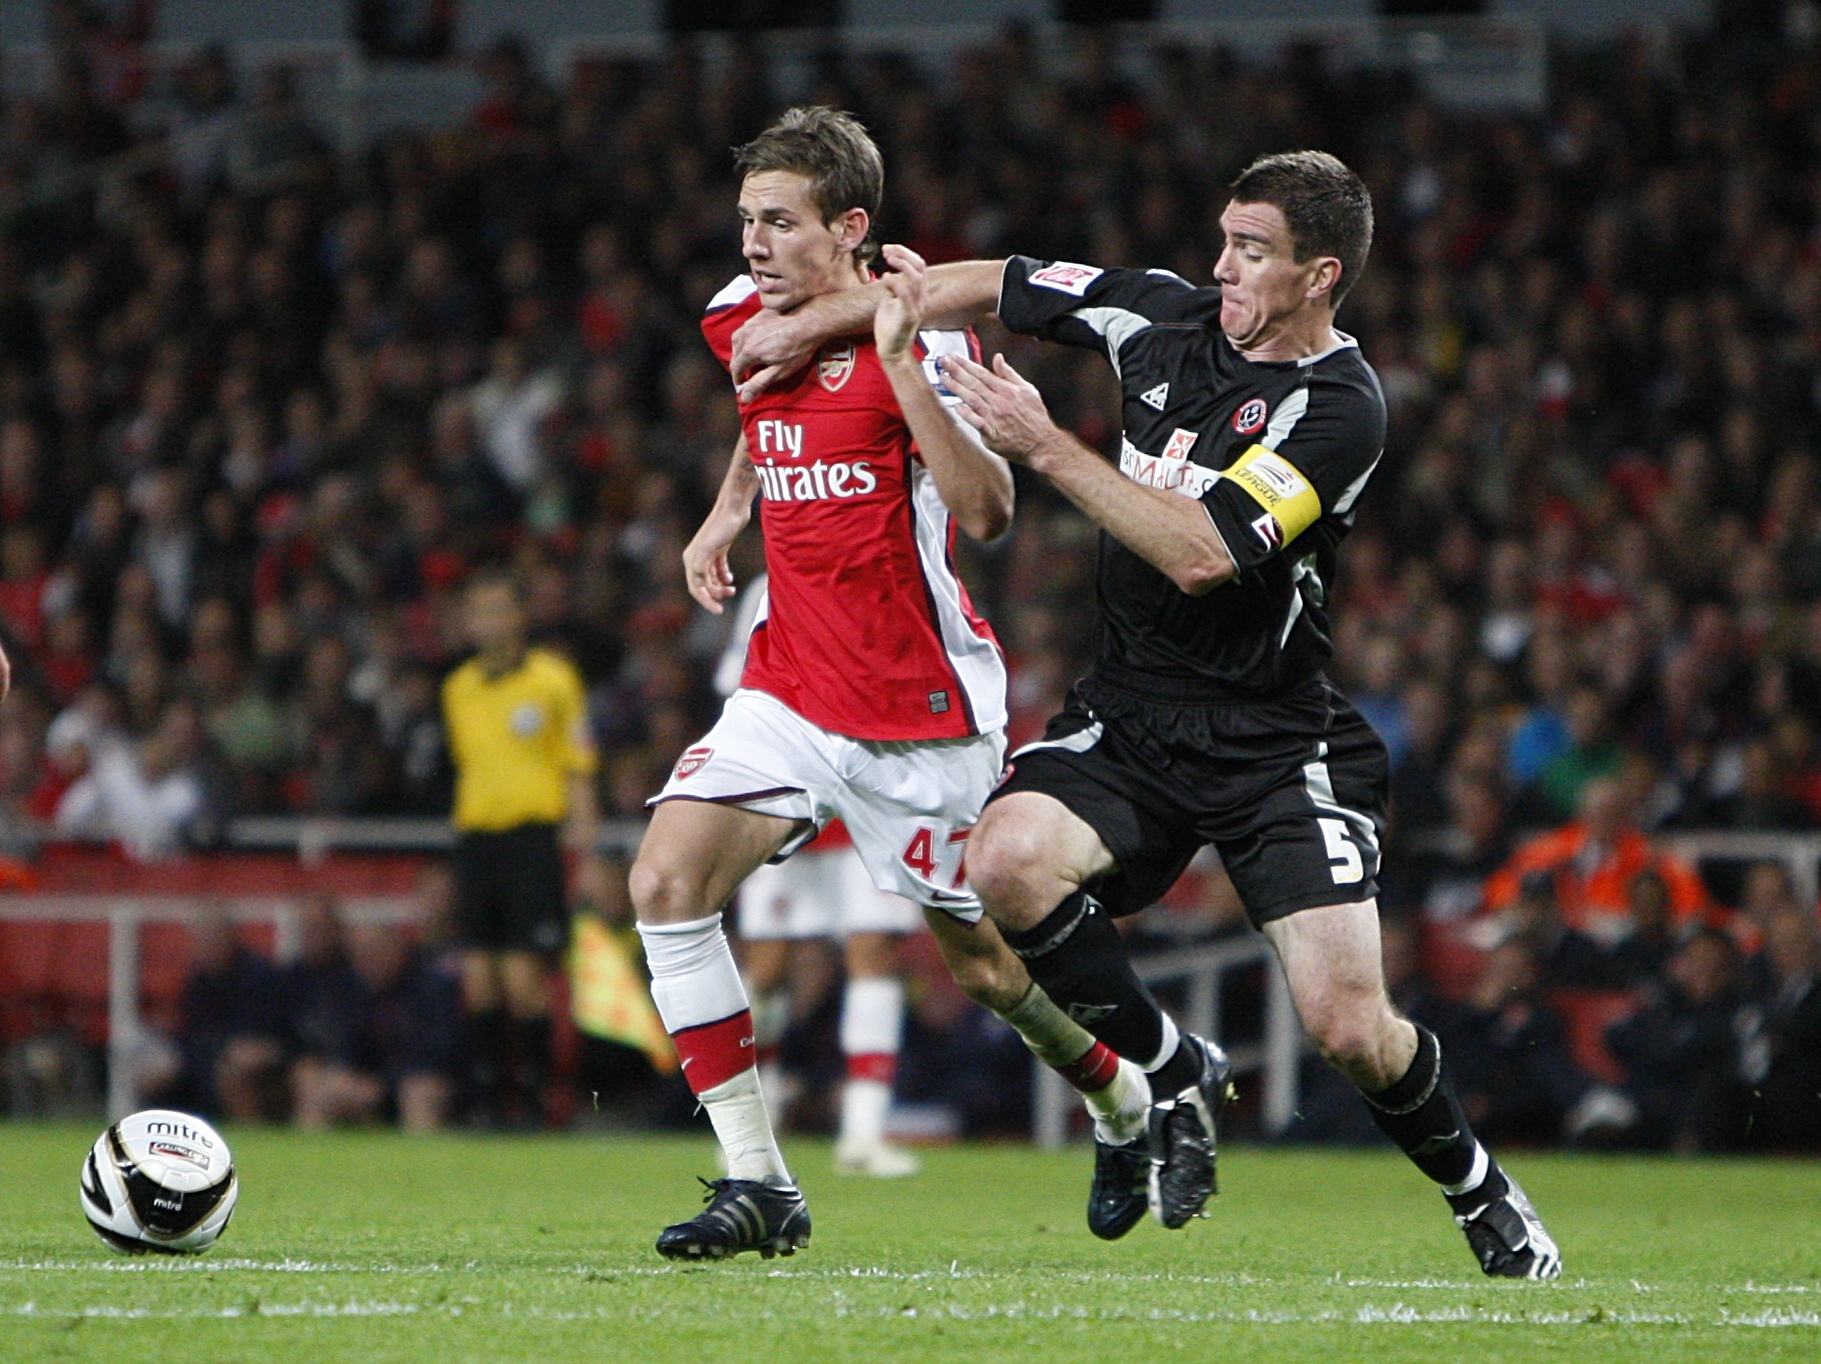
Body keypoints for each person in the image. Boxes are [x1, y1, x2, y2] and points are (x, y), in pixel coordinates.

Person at [736, 150, 1561, 1277]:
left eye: (1253, 252)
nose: (1222, 267)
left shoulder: (1340, 408)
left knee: (1349, 1027)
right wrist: (815, 321)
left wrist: (1039, 443)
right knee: (1008, 861)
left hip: (1277, 741)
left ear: (1322, 275)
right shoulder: (1157, 315)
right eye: (1224, 239)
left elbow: (1202, 554)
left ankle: (1480, 1190)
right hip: (1130, 715)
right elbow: (998, 280)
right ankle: (1175, 1068)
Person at [630, 107, 1149, 1262]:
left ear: (853, 227)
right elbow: (757, 410)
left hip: (919, 712)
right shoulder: (737, 314)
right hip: (790, 686)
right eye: (746, 219)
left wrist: (907, 362)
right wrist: (725, 511)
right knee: (666, 878)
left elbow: (988, 512)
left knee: (983, 963)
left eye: (780, 221)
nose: (754, 242)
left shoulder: (932, 342)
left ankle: (1123, 1095)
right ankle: (758, 1177)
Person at [722, 575, 925, 1177]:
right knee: (767, 967)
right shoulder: (773, 582)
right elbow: (740, 684)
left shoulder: (897, 572)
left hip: (871, 800)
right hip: (787, 792)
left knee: (873, 952)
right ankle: (750, 1125)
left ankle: (862, 1132)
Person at [442, 570, 606, 1126]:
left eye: (496, 608)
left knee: (523, 977)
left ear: (519, 616)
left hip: (533, 840)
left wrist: (583, 851)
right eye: (476, 610)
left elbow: (578, 767)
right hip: (476, 839)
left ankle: (537, 1102)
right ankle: (489, 1101)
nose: (485, 620)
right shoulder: (457, 688)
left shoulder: (553, 680)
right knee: (478, 976)